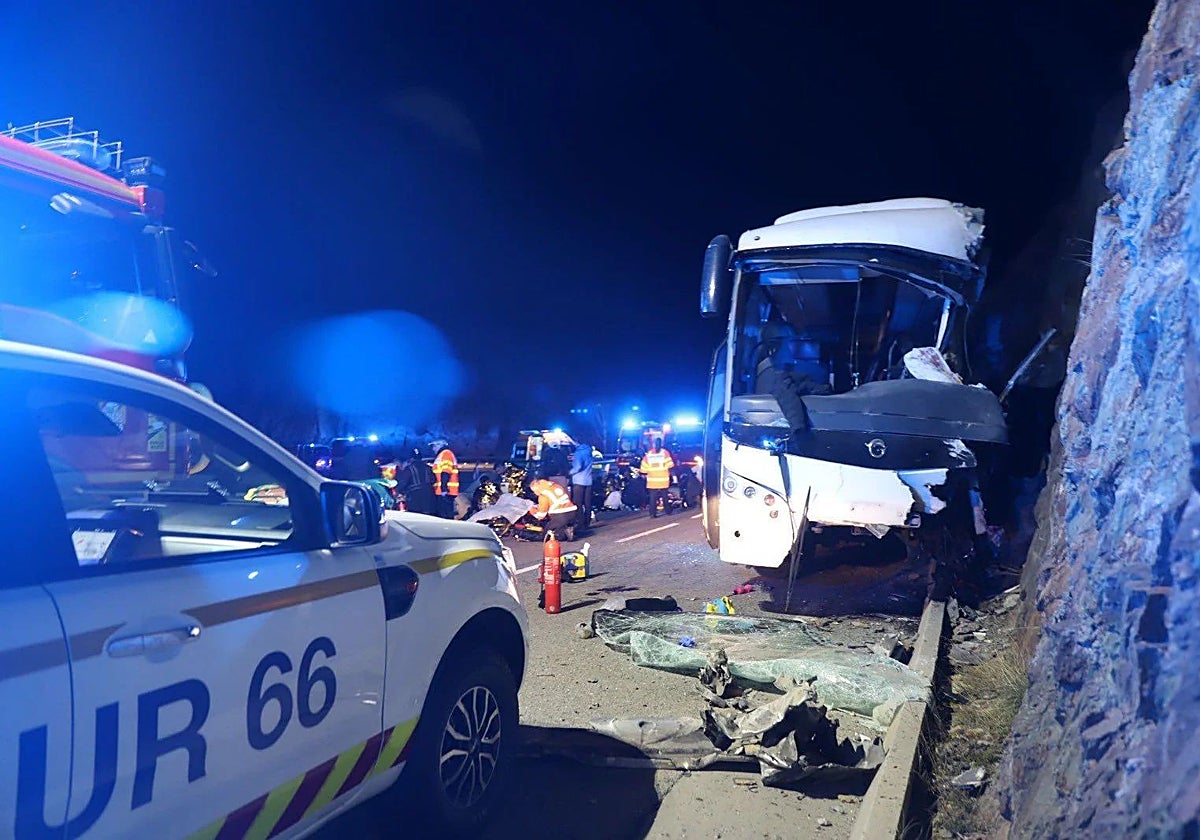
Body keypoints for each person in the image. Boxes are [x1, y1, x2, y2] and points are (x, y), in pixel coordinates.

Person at [639, 439, 674, 518]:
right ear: (661, 444)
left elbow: (644, 466)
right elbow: (670, 465)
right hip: (663, 479)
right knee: (664, 496)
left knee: (653, 497)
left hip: (652, 480)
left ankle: (652, 513)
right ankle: (668, 511)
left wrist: (644, 473)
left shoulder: (649, 454)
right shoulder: (665, 453)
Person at [394, 449, 435, 515]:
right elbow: (433, 480)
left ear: (411, 459)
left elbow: (404, 482)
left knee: (416, 516)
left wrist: (398, 492)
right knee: (428, 515)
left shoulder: (409, 468)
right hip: (429, 495)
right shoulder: (428, 468)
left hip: (415, 496)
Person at [568, 440, 594, 533]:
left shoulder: (578, 453)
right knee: (587, 503)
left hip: (579, 481)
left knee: (577, 503)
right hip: (588, 481)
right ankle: (587, 522)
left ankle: (580, 523)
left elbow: (578, 467)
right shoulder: (589, 451)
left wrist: (569, 473)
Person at [431, 444, 459, 518]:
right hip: (444, 491)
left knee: (444, 516)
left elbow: (445, 472)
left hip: (445, 492)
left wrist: (444, 489)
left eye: (434, 446)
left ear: (439, 445)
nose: (433, 449)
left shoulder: (446, 454)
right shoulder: (443, 454)